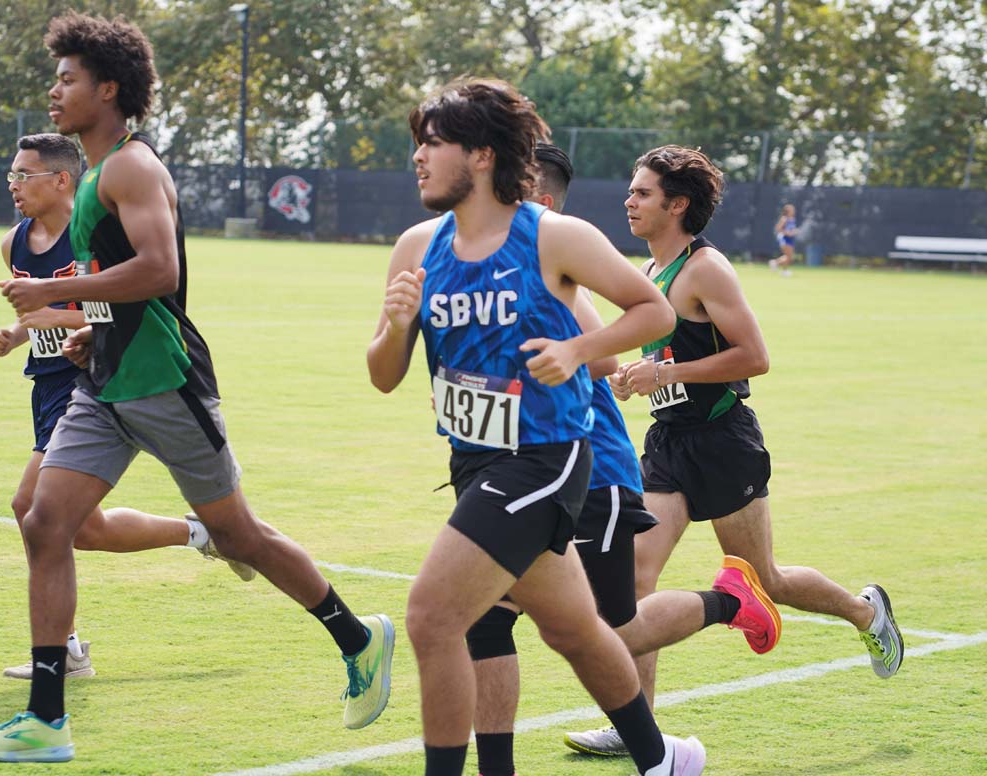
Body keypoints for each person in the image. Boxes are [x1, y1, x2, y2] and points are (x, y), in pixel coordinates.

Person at [0, 13, 393, 763]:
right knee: (42, 519)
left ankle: (358, 639)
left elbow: (161, 273)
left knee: (237, 536)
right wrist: (81, 321)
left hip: (165, 380)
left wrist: (51, 295)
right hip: (106, 379)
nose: (54, 91)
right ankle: (46, 719)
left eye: (67, 78)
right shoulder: (94, 174)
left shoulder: (130, 166)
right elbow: (124, 289)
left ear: (109, 88)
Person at [367, 78, 704, 776]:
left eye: (433, 144)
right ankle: (662, 760)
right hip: (473, 464)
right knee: (575, 630)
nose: (419, 159)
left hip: (543, 461)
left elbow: (655, 313)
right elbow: (383, 373)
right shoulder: (416, 247)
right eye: (418, 146)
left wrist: (577, 351)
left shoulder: (553, 236)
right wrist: (398, 325)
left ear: (482, 155)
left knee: (433, 617)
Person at [566, 146, 903, 757]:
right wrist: (639, 373)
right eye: (632, 190)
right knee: (636, 581)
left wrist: (670, 375)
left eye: (642, 193)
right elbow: (671, 354)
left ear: (678, 205)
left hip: (724, 442)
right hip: (668, 446)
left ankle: (865, 613)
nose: (629, 201)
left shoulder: (706, 269)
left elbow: (755, 357)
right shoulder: (649, 274)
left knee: (764, 579)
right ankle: (634, 727)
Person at [458, 143, 779, 776]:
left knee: (607, 628)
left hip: (652, 455)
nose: (628, 201)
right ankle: (645, 742)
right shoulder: (516, 264)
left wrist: (608, 361)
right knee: (505, 617)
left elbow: (736, 354)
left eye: (641, 192)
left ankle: (736, 605)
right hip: (631, 451)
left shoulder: (600, 265)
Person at [0, 132, 255, 682]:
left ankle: (63, 654)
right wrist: (16, 334)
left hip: (88, 380)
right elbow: (40, 310)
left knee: (29, 506)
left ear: (61, 180)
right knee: (83, 530)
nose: (12, 185)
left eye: (23, 175)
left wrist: (56, 312)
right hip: (46, 387)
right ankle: (197, 534)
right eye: (10, 176)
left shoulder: (94, 236)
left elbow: (111, 307)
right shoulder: (14, 243)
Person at [769, 203, 796, 275]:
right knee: (788, 256)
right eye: (791, 209)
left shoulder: (792, 219)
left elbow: (791, 229)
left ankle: (778, 265)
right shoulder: (784, 218)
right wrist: (787, 233)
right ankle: (777, 264)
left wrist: (794, 232)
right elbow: (778, 228)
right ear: (788, 211)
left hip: (790, 239)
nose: (793, 211)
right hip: (785, 239)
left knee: (789, 257)